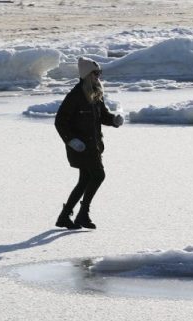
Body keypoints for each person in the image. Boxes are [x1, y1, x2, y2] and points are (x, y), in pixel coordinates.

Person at [54, 57, 124, 229]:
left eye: (99, 73)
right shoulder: (75, 95)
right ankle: (82, 214)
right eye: (95, 73)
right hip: (81, 147)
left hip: (94, 146)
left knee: (85, 180)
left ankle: (65, 216)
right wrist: (71, 141)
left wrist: (114, 120)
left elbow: (103, 116)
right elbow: (60, 121)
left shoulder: (95, 93)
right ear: (87, 74)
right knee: (98, 175)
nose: (98, 77)